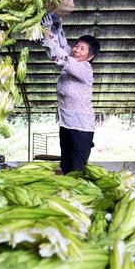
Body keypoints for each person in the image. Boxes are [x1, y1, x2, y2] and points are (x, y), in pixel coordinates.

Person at [41, 13, 100, 175]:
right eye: (77, 46)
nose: (76, 50)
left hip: (81, 129)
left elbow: (60, 57)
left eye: (82, 49)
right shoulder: (72, 59)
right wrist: (55, 27)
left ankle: (80, 197)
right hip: (66, 124)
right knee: (66, 167)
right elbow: (62, 46)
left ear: (91, 56)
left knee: (77, 169)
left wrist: (46, 33)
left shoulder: (84, 68)